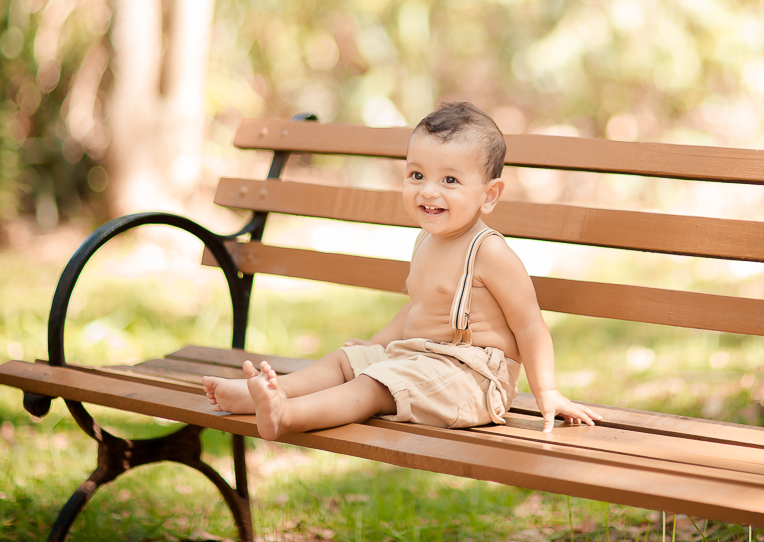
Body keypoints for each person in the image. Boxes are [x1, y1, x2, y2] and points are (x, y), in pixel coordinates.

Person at [202, 102, 602, 440]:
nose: (428, 190)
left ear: (489, 195)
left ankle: (287, 415)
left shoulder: (489, 251)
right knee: (345, 360)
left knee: (374, 385)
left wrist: (547, 391)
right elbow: (417, 308)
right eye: (417, 175)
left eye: (450, 179)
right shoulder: (427, 239)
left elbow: (530, 324)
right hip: (421, 360)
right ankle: (265, 393)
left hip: (473, 381)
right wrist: (373, 347)